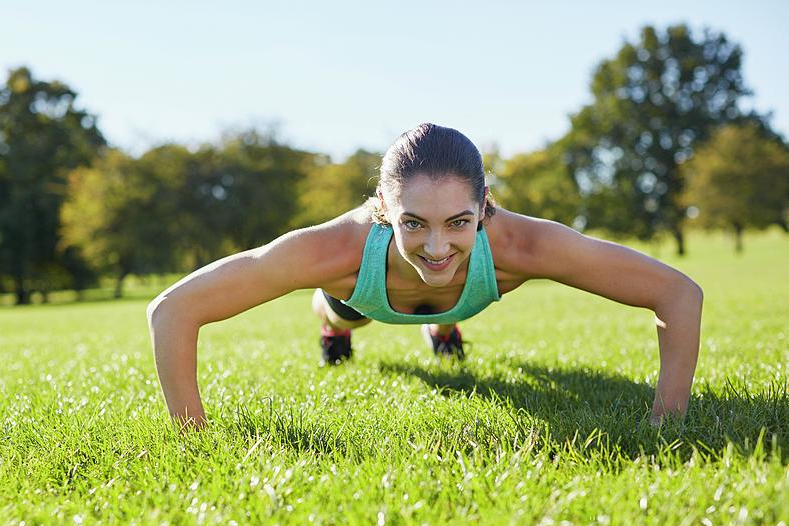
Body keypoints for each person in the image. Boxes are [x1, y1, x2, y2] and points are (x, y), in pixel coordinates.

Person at [147, 123, 703, 431]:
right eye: (414, 223)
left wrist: (668, 416)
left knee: (447, 296)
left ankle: (441, 327)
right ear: (384, 208)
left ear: (485, 205)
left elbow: (677, 293)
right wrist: (192, 439)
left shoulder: (523, 244)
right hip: (362, 298)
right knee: (339, 313)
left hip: (467, 297)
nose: (437, 246)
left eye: (459, 222)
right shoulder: (335, 249)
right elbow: (173, 309)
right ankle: (335, 326)